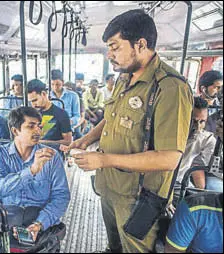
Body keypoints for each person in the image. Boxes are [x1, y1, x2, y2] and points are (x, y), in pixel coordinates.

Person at [68, 9, 193, 252]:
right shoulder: (125, 78)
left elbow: (170, 158)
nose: (109, 55)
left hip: (137, 197)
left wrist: (104, 159)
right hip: (110, 186)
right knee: (114, 245)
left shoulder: (170, 88)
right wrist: (85, 139)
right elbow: (112, 118)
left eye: (115, 47)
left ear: (141, 44)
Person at [0, 107, 70, 241]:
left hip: (41, 216)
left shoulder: (51, 156)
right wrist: (31, 171)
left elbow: (61, 196)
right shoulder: (0, 154)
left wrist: (39, 223)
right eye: (31, 126)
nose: (38, 131)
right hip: (10, 215)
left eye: (39, 126)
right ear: (15, 130)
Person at [175, 97, 221, 192]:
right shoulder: (168, 132)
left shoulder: (206, 139)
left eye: (202, 121)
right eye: (194, 121)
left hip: (179, 182)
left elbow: (215, 167)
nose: (198, 127)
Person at [27, 79, 72, 150]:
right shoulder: (30, 115)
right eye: (31, 102)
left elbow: (68, 141)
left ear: (44, 94)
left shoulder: (61, 114)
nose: (33, 105)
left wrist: (42, 143)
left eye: (35, 100)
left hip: (52, 153)